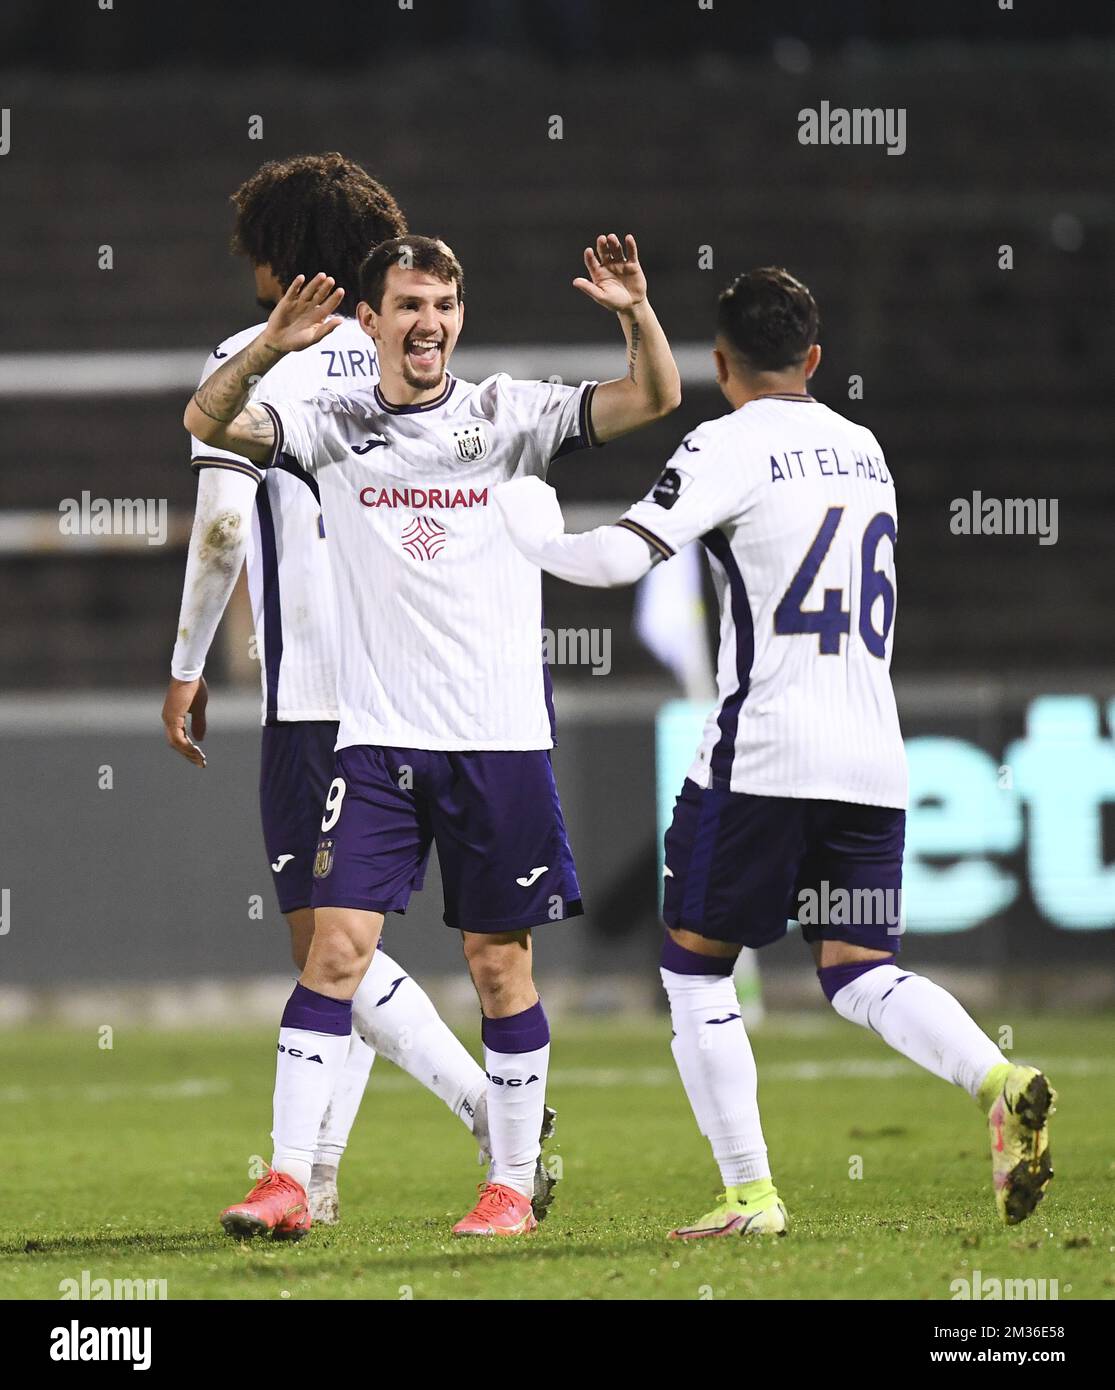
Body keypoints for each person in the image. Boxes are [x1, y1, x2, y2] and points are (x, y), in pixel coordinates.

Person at [494, 266, 1056, 1237]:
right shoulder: (863, 447)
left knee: (693, 968)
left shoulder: (725, 442)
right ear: (814, 358)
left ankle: (749, 1191)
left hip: (761, 757)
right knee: (856, 965)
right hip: (873, 756)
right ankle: (995, 1076)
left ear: (717, 363)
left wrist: (529, 525)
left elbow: (620, 556)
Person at [183, 230, 682, 1237]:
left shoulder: (508, 414)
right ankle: (287, 1177)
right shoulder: (332, 424)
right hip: (375, 745)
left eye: (445, 304)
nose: (430, 323)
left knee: (500, 968)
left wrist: (634, 315)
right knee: (332, 950)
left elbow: (653, 399)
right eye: (408, 304)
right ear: (369, 321)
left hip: (496, 741)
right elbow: (207, 418)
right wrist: (270, 345)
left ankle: (508, 1183)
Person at [162, 153, 551, 1232]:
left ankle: (473, 1113)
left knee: (326, 950)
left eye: (258, 256)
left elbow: (226, 522)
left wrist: (189, 659)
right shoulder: (413, 365)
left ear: (283, 256)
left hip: (317, 689)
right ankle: (324, 1177)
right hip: (448, 689)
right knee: (368, 949)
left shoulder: (257, 358)